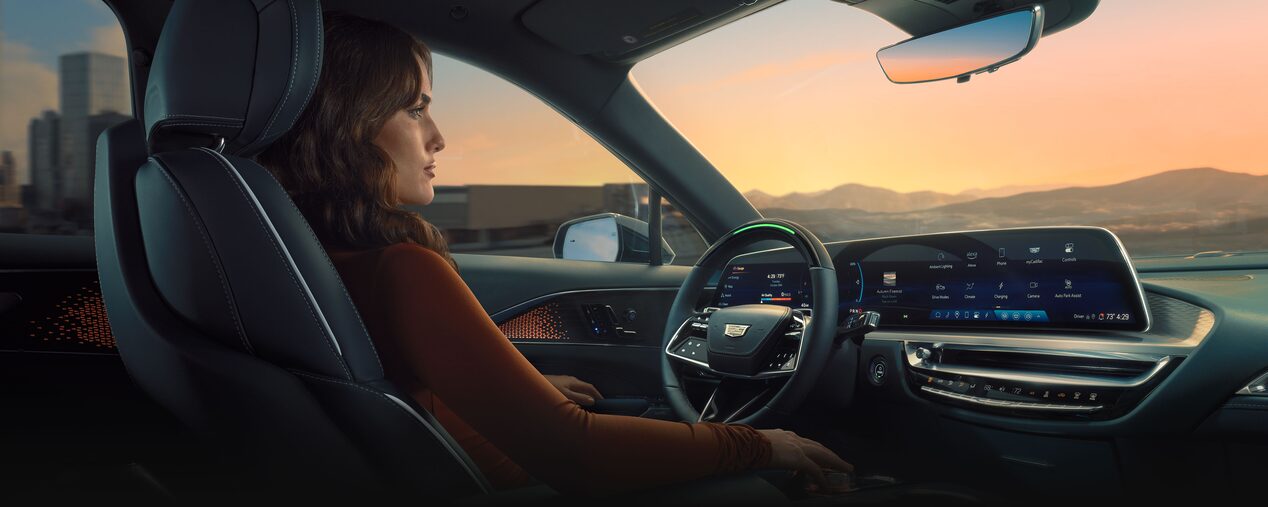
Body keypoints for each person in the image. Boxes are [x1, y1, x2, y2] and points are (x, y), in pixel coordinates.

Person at [257, 11, 851, 498]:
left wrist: (528, 393)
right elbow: (578, 453)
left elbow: (408, 390)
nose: (438, 136)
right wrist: (758, 444)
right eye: (415, 110)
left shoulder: (289, 253)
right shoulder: (400, 267)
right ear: (347, 125)